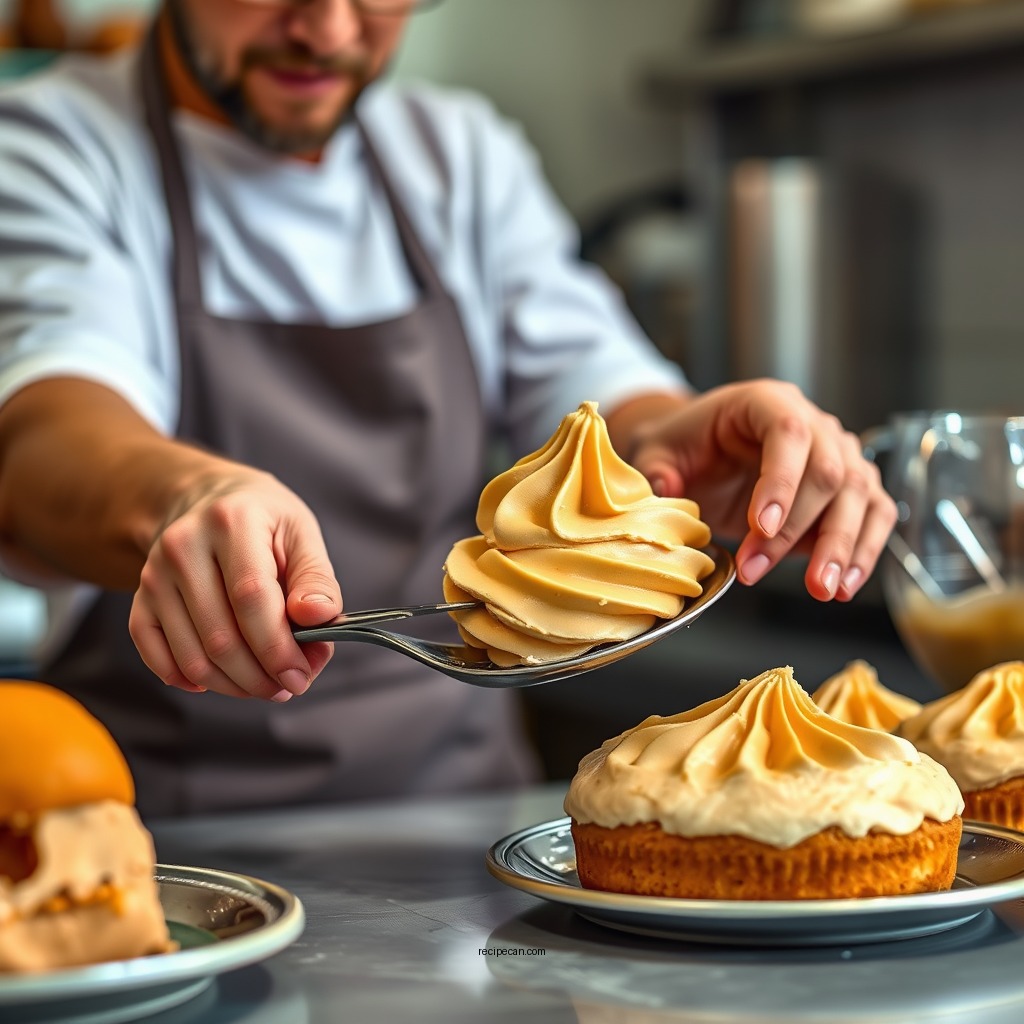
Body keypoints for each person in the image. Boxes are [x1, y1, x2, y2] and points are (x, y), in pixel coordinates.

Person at [0, 0, 896, 818]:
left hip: (463, 839)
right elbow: (50, 429)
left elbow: (597, 391)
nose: (331, 32)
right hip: (174, 844)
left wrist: (675, 437)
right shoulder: (54, 145)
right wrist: (183, 496)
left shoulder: (457, 157)